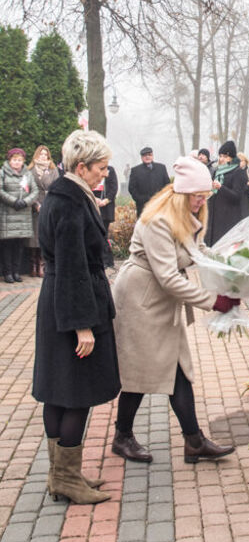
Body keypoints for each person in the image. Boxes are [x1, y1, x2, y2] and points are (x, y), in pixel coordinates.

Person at [111, 156, 236, 464]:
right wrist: (213, 301)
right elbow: (168, 277)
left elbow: (198, 251)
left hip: (159, 301)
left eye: (205, 196)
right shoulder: (158, 221)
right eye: (197, 196)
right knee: (139, 372)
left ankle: (193, 441)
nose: (201, 202)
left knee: (177, 370)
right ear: (182, 194)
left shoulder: (184, 215)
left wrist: (235, 263)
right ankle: (123, 436)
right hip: (141, 299)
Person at [32, 130, 120, 505]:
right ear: (81, 167)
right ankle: (65, 478)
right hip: (72, 305)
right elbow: (71, 266)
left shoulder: (65, 195)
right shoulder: (69, 202)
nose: (105, 174)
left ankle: (61, 474)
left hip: (58, 302)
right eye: (100, 168)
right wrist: (82, 325)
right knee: (75, 392)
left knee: (58, 389)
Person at [0, 148, 39, 283]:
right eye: (14, 160)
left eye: (20, 160)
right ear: (10, 160)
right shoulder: (3, 172)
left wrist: (26, 202)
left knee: (19, 245)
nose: (17, 162)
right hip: (8, 214)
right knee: (7, 245)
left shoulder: (27, 174)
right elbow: (0, 190)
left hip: (23, 214)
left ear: (23, 161)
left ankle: (16, 272)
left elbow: (35, 190)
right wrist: (14, 201)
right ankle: (8, 273)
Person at [205, 141, 249, 247]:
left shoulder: (238, 172)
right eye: (220, 156)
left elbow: (237, 196)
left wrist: (221, 187)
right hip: (214, 218)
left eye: (225, 156)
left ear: (232, 157)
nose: (221, 159)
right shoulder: (217, 171)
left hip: (228, 219)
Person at [27, 145, 60, 276]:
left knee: (45, 236)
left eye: (45, 154)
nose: (43, 156)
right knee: (34, 238)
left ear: (48, 156)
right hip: (34, 207)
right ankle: (33, 265)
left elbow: (57, 187)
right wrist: (35, 204)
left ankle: (42, 264)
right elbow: (27, 188)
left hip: (49, 205)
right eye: (41, 154)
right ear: (36, 155)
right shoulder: (30, 170)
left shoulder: (53, 170)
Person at [128, 147, 170, 217]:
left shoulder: (161, 168)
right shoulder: (135, 170)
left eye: (149, 155)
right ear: (141, 157)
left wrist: (162, 197)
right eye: (145, 155)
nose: (147, 157)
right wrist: (141, 199)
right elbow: (132, 188)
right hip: (143, 206)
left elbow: (167, 185)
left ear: (152, 156)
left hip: (160, 205)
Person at [93, 163, 118, 268]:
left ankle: (106, 260)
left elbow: (113, 188)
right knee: (95, 234)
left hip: (105, 208)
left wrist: (106, 200)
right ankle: (102, 260)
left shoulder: (110, 170)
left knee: (103, 234)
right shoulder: (91, 168)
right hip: (93, 205)